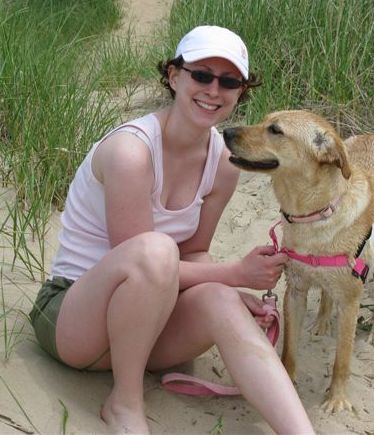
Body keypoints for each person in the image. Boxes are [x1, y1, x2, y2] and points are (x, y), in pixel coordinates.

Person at [30, 25, 315, 435]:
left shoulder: (221, 161)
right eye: (201, 75)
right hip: (74, 321)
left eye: (229, 81)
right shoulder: (132, 151)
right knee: (158, 251)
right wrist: (234, 273)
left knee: (220, 299)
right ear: (174, 76)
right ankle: (125, 403)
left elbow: (195, 253)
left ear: (241, 91)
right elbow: (144, 262)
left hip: (143, 330)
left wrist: (229, 290)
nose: (213, 90)